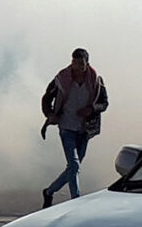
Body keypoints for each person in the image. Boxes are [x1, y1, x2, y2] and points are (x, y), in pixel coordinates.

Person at [40, 47, 108, 209]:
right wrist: (50, 114)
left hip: (85, 128)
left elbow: (104, 102)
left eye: (81, 63)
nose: (77, 66)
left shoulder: (96, 81)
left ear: (87, 63)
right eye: (75, 62)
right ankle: (75, 202)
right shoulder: (61, 79)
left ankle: (49, 192)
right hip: (66, 125)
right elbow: (46, 98)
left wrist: (91, 109)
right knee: (75, 166)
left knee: (73, 168)